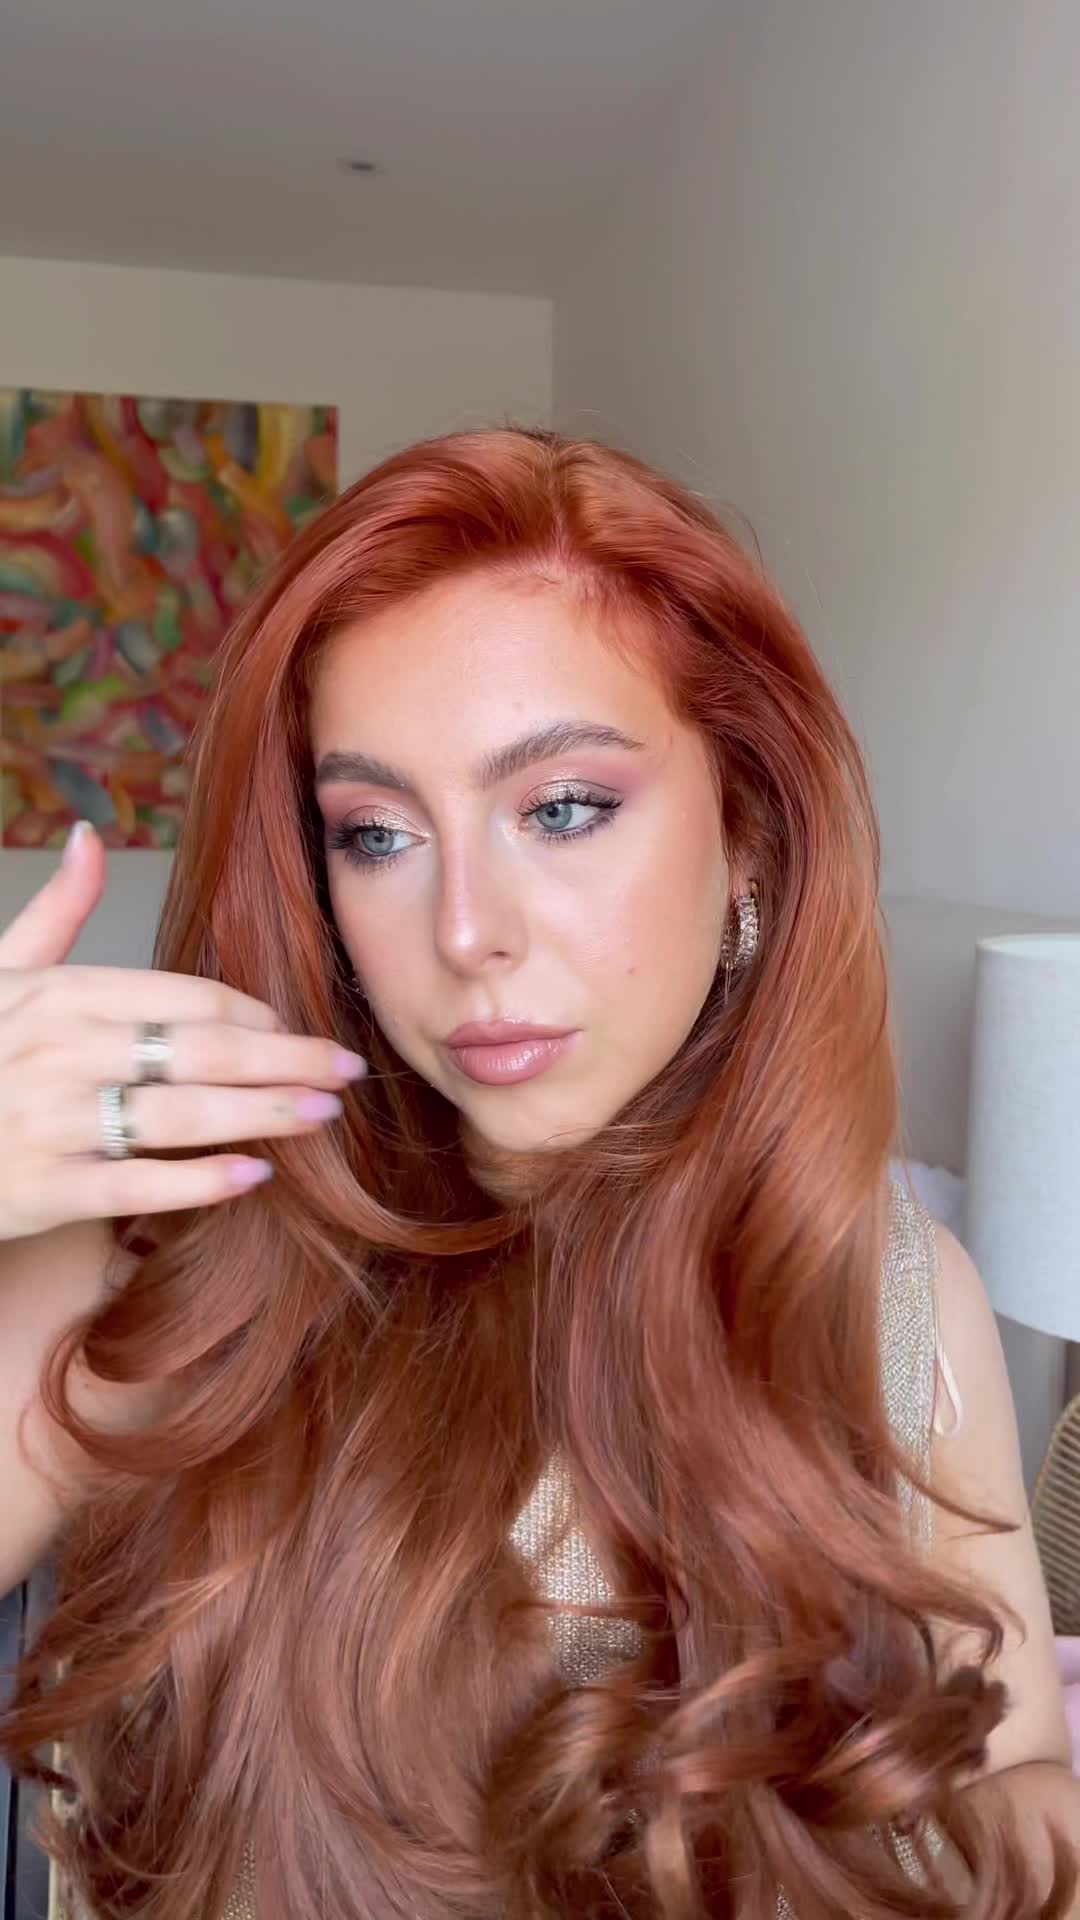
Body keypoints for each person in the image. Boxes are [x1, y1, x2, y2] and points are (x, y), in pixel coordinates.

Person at [0, 428, 1076, 1920]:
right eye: (376, 834)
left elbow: (1021, 1784)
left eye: (563, 808)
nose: (464, 932)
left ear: (749, 836)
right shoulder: (177, 1239)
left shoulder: (888, 1292)